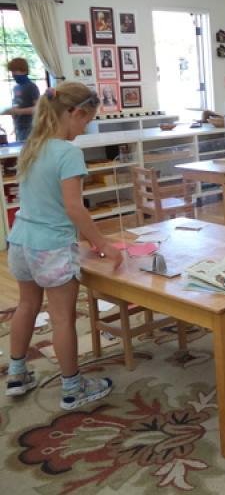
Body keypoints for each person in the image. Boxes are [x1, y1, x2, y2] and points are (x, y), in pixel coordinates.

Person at [5, 81, 123, 408]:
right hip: (51, 248)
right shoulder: (68, 152)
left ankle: (16, 373)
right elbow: (74, 208)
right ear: (74, 112)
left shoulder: (33, 145)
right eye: (85, 121)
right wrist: (102, 244)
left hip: (20, 243)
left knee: (26, 306)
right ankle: (73, 388)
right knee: (61, 318)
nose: (84, 129)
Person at [3, 58, 40, 142]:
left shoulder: (32, 87)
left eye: (15, 71)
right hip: (18, 128)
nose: (13, 74)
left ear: (24, 70)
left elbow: (38, 109)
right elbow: (17, 105)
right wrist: (10, 111)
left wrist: (18, 111)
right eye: (11, 71)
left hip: (30, 129)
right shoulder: (16, 88)